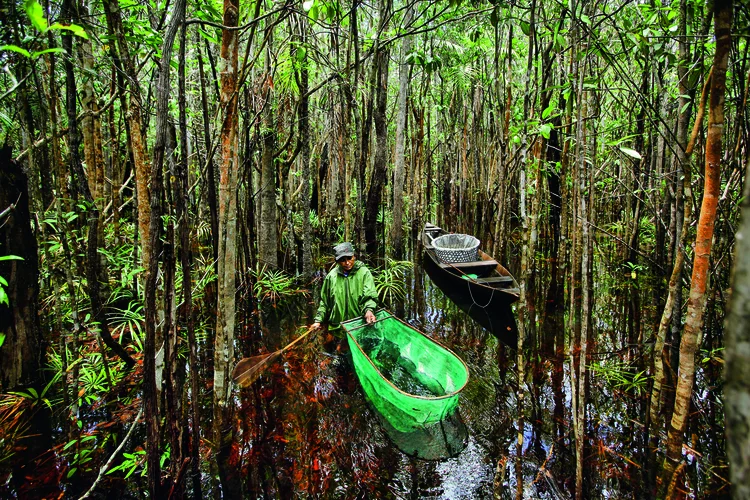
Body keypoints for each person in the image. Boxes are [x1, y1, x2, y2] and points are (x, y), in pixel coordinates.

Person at [311, 242, 378, 333]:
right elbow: (325, 302)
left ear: (354, 256)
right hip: (337, 327)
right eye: (342, 260)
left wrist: (369, 311)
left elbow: (369, 296)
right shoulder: (331, 276)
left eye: (349, 258)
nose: (347, 263)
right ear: (337, 261)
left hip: (359, 325)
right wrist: (318, 321)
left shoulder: (364, 273)